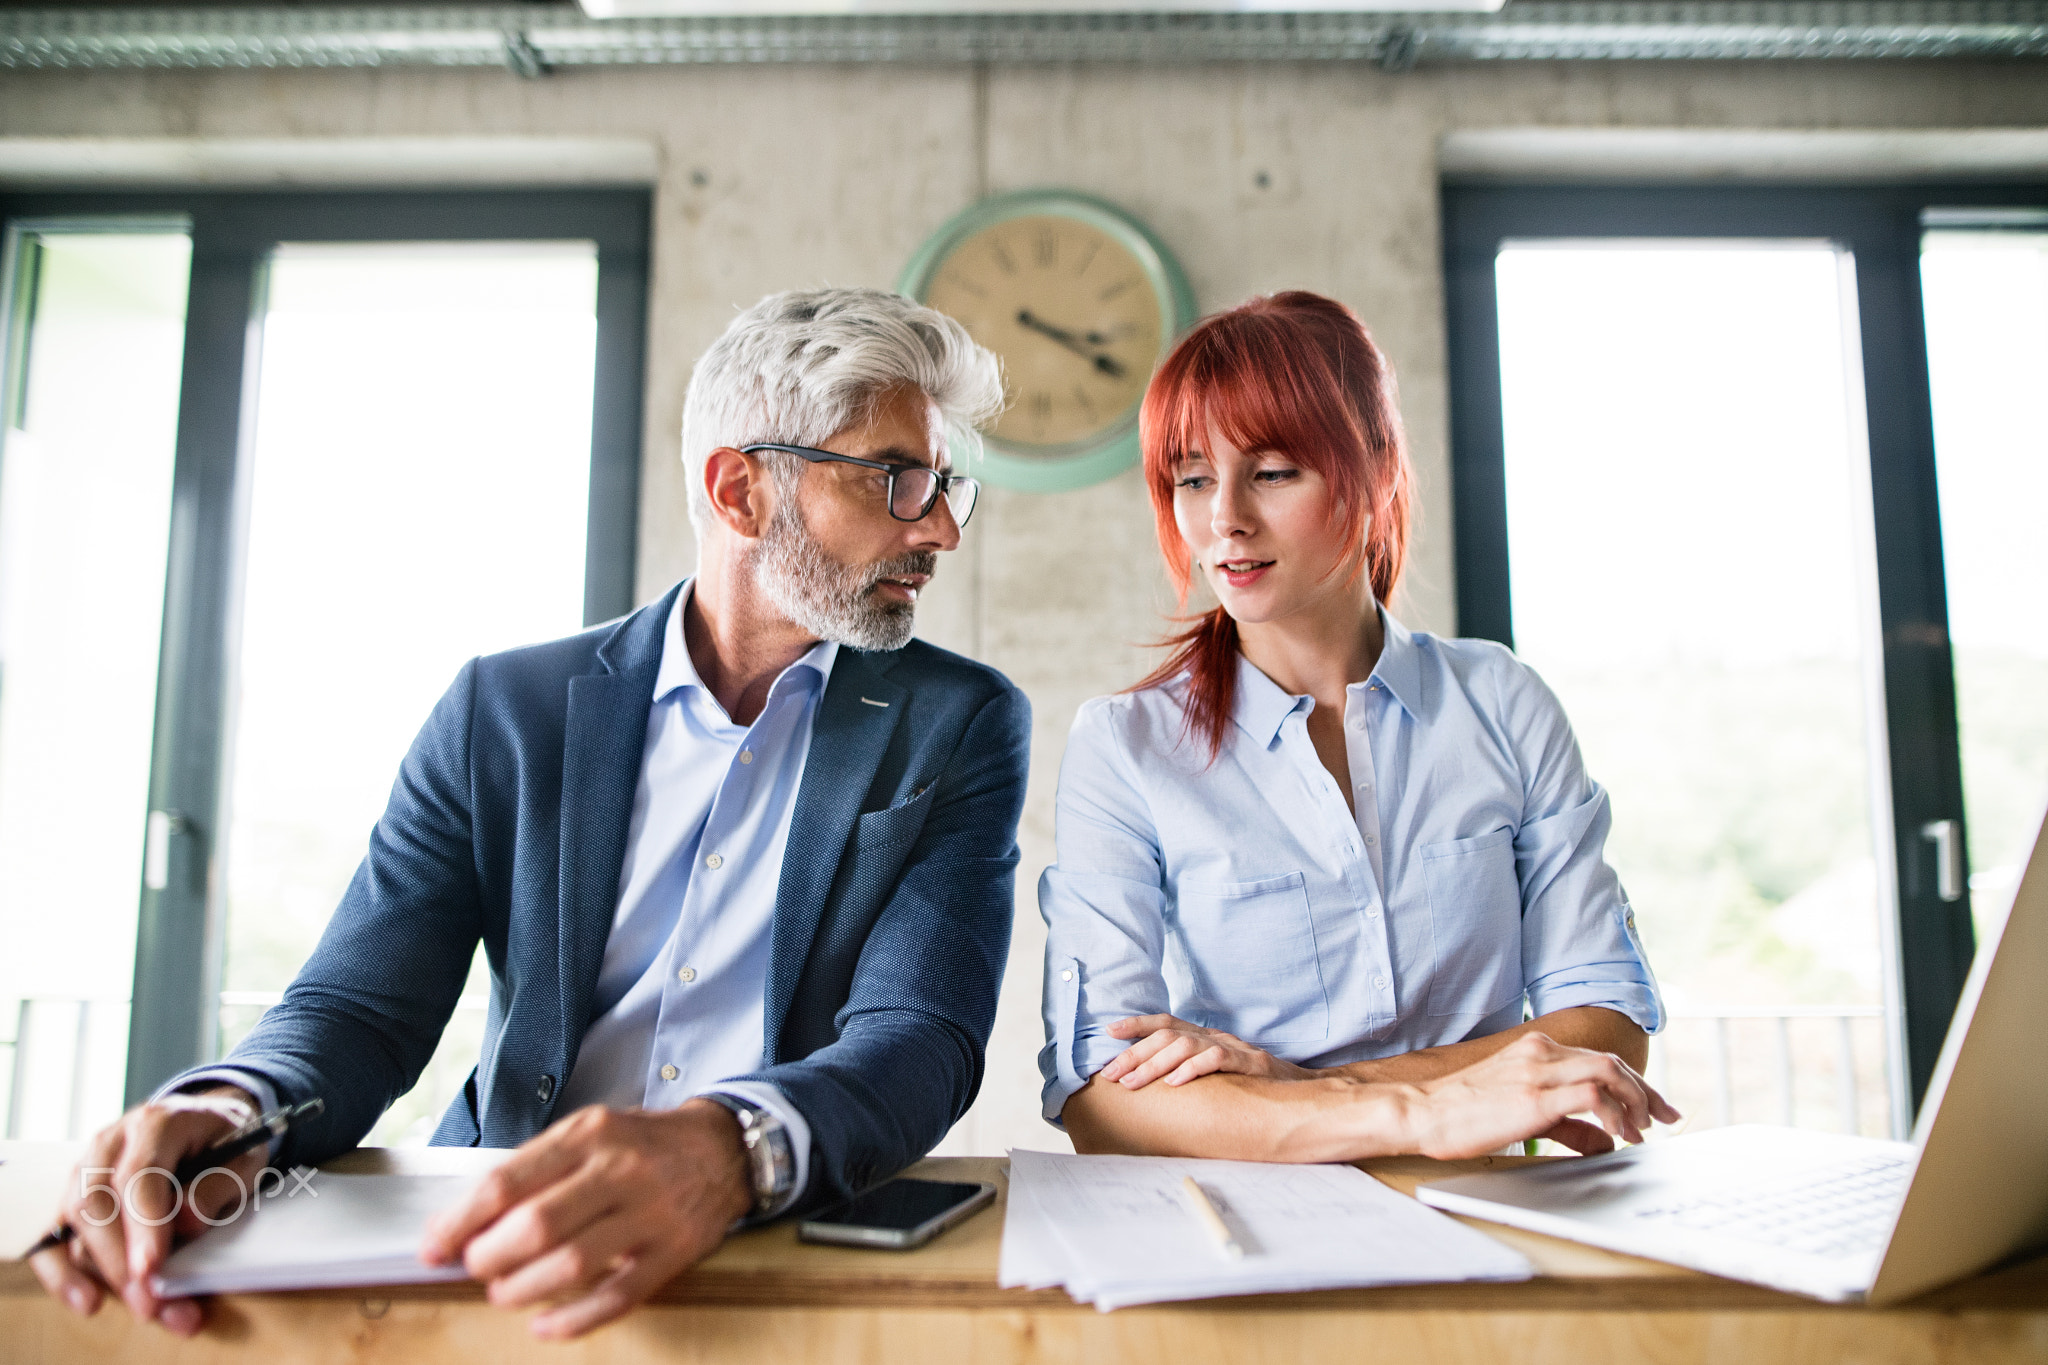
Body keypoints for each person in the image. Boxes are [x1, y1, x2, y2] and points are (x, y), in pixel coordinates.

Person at [34, 288, 1030, 1340]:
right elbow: (363, 1007)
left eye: (945, 486)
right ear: (739, 490)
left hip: (782, 1243)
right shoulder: (502, 711)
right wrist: (235, 1103)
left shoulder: (956, 722)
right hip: (496, 1237)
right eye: (897, 480)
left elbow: (920, 1038)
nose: (938, 530)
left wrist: (728, 1150)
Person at [1038, 291, 1676, 1163]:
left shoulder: (1502, 701)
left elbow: (1604, 1025)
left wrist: (1290, 1087)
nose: (1224, 517)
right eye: (1192, 477)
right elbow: (1101, 1098)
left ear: (1373, 468)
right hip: (1251, 1223)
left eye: (1271, 471)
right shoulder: (1127, 747)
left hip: (1494, 1211)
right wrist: (1419, 1112)